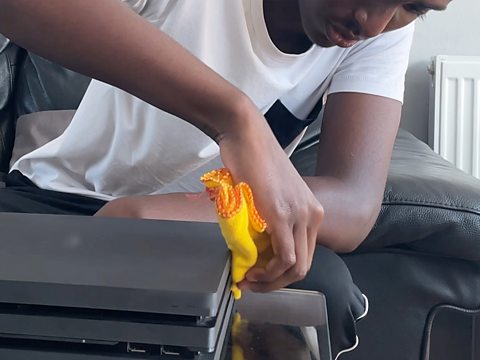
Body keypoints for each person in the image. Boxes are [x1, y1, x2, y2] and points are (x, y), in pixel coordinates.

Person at [0, 0, 450, 296]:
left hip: (201, 232)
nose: (374, 22)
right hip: (57, 198)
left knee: (327, 289)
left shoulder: (383, 31)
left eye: (415, 6)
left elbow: (353, 202)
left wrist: (151, 215)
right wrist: (236, 118)